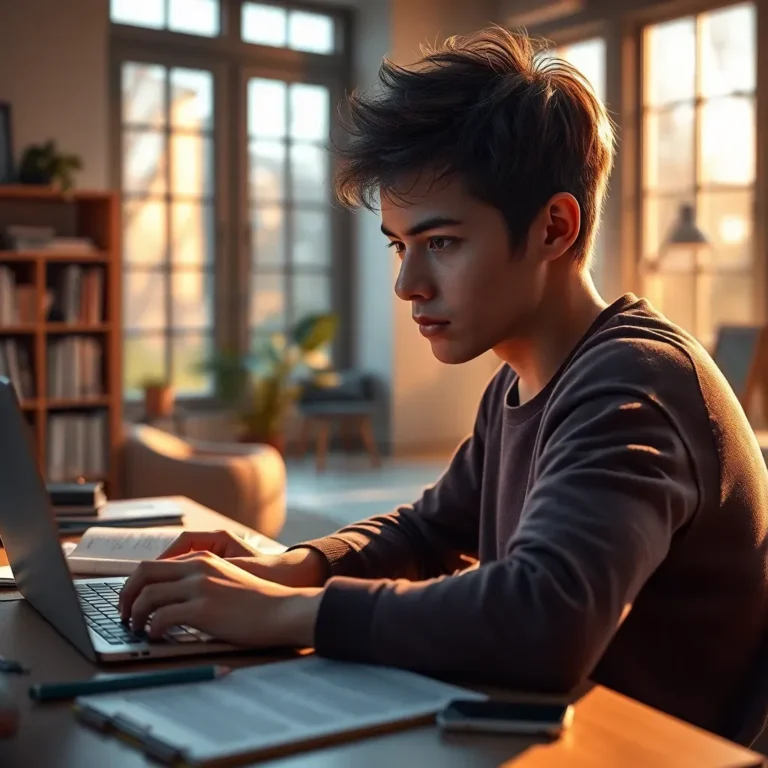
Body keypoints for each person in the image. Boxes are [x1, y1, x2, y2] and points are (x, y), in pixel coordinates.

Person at [118, 27, 768, 740]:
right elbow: (429, 530)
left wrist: (282, 613)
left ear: (554, 228)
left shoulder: (633, 385)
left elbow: (543, 617)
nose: (407, 284)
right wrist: (288, 567)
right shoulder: (523, 378)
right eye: (400, 245)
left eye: (442, 243)